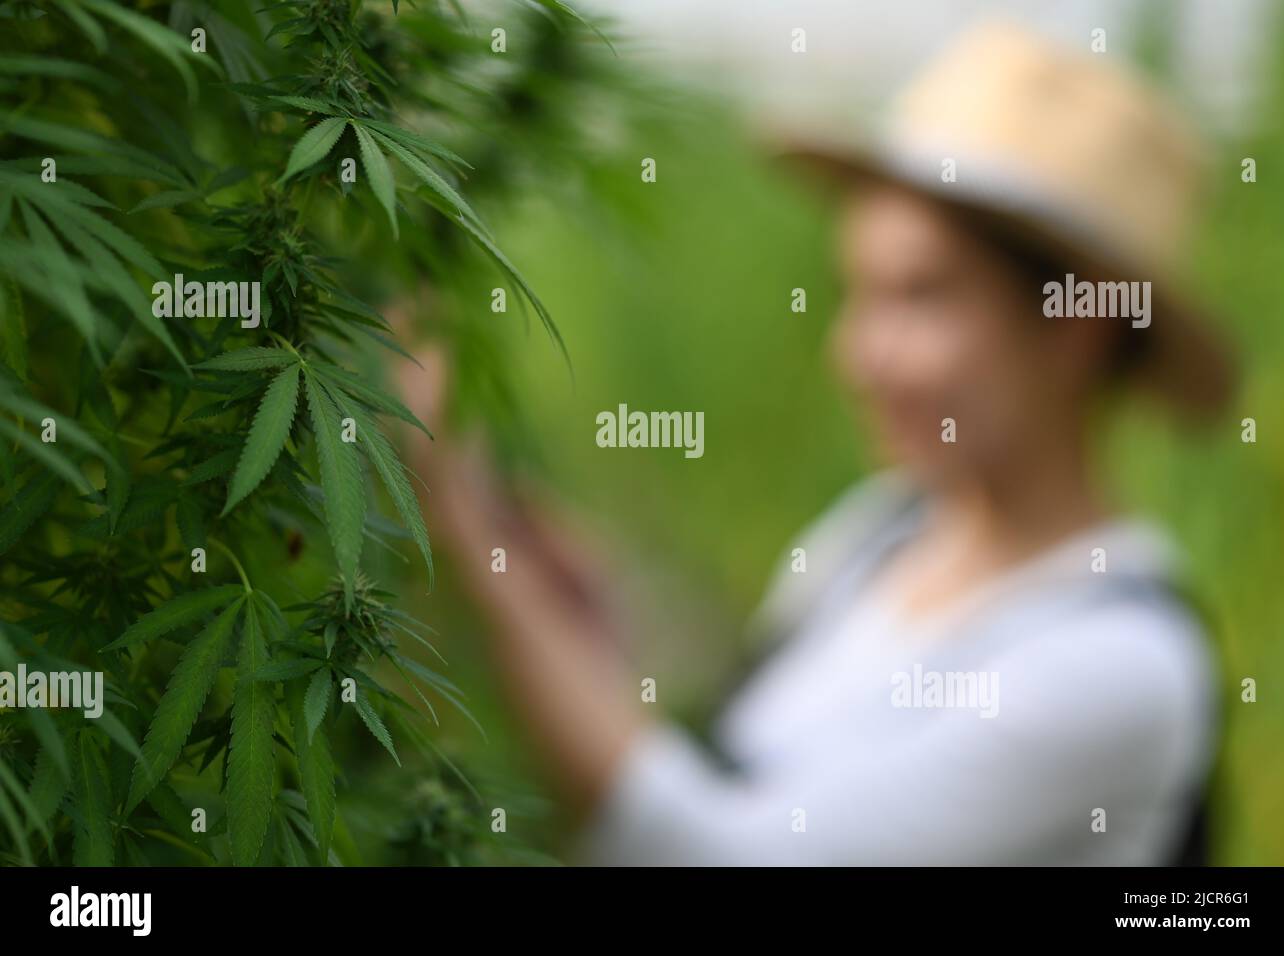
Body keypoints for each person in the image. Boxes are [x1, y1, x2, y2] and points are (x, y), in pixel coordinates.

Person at [393, 22, 1235, 865]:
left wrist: (463, 519)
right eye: (859, 295)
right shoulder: (884, 533)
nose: (859, 356)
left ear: (1074, 325)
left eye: (921, 298)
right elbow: (741, 767)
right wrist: (573, 612)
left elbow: (725, 852)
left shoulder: (1120, 667)